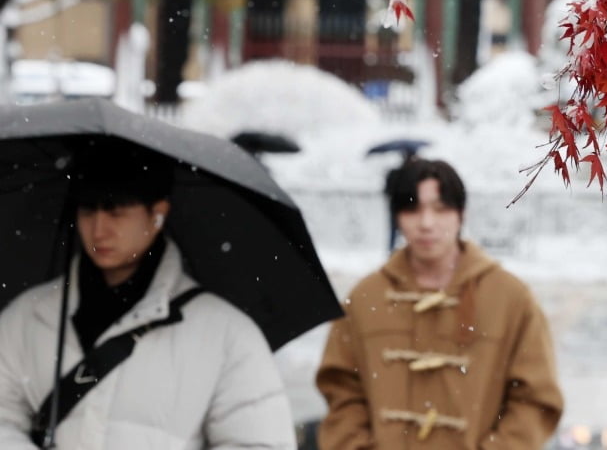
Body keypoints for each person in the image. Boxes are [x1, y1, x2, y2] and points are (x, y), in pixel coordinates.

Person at [0, 161, 297, 449]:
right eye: (88, 210)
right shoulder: (25, 318)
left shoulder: (226, 334)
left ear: (157, 214)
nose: (99, 229)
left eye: (116, 212)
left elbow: (259, 442)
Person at [316, 157, 563, 449]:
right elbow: (342, 392)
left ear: (461, 214)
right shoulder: (365, 299)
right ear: (397, 216)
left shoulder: (510, 298)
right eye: (413, 209)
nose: (426, 223)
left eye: (441, 208)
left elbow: (534, 399)